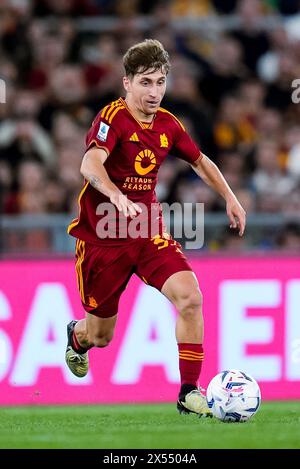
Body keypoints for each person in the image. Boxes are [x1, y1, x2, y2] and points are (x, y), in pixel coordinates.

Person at [65, 39, 246, 416]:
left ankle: (188, 392)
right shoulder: (112, 118)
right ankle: (77, 337)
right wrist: (114, 195)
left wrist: (231, 197)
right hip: (103, 239)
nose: (154, 91)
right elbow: (89, 164)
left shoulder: (168, 123)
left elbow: (200, 161)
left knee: (191, 298)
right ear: (127, 83)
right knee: (101, 336)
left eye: (160, 82)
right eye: (146, 82)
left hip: (148, 231)